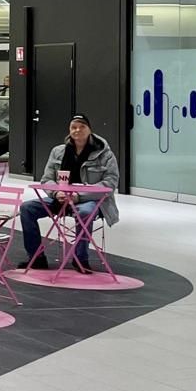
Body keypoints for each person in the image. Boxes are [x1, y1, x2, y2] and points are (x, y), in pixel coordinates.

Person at [18, 114, 120, 273]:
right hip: (60, 198)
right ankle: (36, 257)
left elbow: (110, 183)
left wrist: (79, 196)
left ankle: (81, 259)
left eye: (82, 127)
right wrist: (56, 192)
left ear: (90, 130)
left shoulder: (104, 154)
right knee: (27, 208)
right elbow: (46, 179)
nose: (77, 130)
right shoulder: (58, 151)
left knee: (85, 212)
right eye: (74, 127)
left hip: (89, 200)